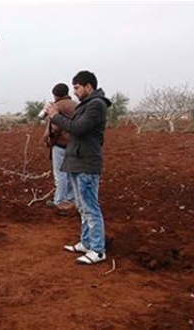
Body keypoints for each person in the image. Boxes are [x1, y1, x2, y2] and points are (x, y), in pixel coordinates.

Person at [46, 70, 111, 265]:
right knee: (82, 207)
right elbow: (75, 126)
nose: (74, 92)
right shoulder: (86, 105)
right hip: (77, 161)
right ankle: (86, 242)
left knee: (90, 207)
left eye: (77, 87)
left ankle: (98, 250)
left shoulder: (96, 106)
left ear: (88, 86)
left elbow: (77, 128)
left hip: (86, 162)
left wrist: (55, 116)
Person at [42, 83, 77, 211]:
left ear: (55, 95)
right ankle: (71, 199)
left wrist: (49, 138)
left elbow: (55, 127)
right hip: (74, 145)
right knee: (71, 173)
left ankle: (59, 201)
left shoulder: (57, 106)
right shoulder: (75, 105)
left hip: (61, 144)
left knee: (60, 174)